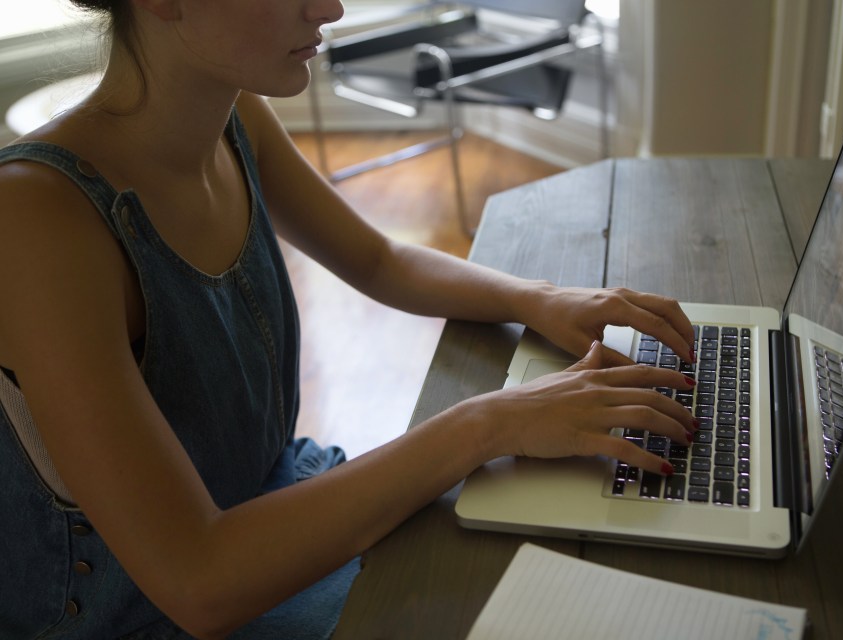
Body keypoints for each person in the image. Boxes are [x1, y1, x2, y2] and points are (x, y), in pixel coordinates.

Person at [0, 1, 699, 638]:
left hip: (269, 504)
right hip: (141, 614)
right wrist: (493, 420)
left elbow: (378, 259)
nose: (329, 8)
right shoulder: (37, 217)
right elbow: (198, 581)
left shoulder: (234, 117)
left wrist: (536, 298)